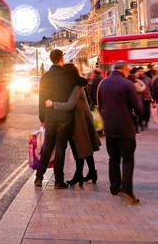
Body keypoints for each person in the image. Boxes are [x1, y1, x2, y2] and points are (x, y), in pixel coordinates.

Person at [35, 49, 87, 189]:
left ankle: (39, 178)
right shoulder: (68, 74)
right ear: (61, 59)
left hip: (50, 115)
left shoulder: (45, 77)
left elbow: (41, 99)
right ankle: (59, 181)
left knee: (48, 146)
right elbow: (84, 82)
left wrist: (42, 117)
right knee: (60, 147)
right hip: (64, 116)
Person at [97, 60, 144, 205]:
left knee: (113, 158)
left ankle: (114, 187)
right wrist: (137, 114)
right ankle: (127, 190)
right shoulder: (127, 84)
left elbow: (100, 105)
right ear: (124, 70)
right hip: (125, 127)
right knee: (128, 159)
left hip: (109, 128)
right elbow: (137, 107)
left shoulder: (103, 83)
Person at [48, 63, 101, 187]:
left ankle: (81, 174)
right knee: (84, 149)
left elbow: (70, 104)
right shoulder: (74, 84)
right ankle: (90, 173)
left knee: (81, 149)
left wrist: (53, 104)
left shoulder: (77, 86)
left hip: (80, 122)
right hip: (79, 120)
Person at [127, 67, 146, 134]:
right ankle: (138, 128)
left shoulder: (129, 82)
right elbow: (142, 88)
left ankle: (136, 128)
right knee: (138, 114)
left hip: (132, 101)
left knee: (134, 115)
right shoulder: (136, 82)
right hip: (137, 100)